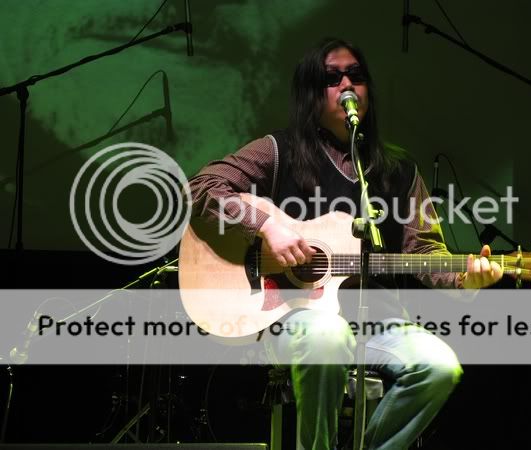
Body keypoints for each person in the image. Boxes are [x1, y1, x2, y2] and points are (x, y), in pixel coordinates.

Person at [189, 37, 502, 450]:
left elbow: (424, 251)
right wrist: (266, 227)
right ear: (311, 94)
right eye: (332, 78)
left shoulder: (400, 171)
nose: (347, 84)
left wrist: (465, 279)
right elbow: (201, 187)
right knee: (327, 333)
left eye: (356, 75)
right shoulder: (278, 151)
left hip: (377, 323)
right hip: (293, 316)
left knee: (439, 366)